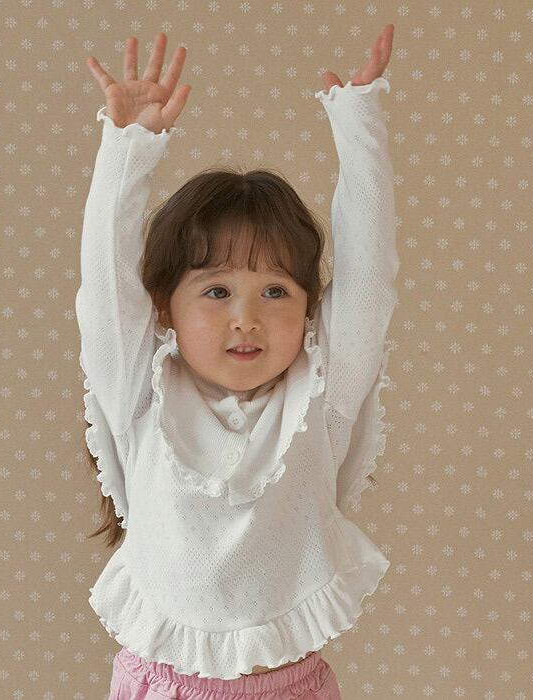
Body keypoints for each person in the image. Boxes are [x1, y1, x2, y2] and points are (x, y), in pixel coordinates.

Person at [78, 26, 399, 699]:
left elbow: (368, 282)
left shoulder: (320, 398)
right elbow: (106, 285)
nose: (246, 318)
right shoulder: (142, 392)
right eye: (217, 291)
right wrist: (129, 146)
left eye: (275, 292)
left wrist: (358, 122)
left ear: (309, 309)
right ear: (164, 305)